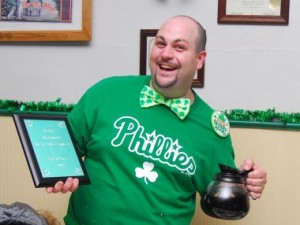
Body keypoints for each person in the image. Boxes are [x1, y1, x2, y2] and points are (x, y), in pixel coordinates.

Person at [46, 15, 267, 225]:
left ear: (200, 59)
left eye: (179, 47)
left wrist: (246, 183)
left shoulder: (211, 129)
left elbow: (221, 197)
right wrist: (60, 171)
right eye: (160, 44)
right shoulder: (106, 93)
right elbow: (61, 148)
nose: (166, 54)